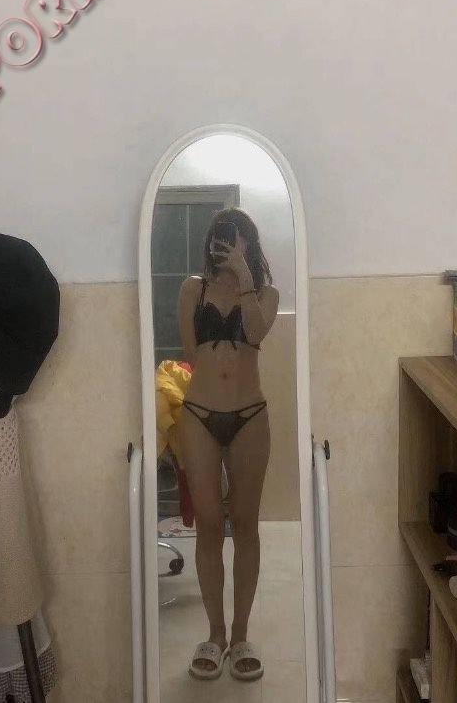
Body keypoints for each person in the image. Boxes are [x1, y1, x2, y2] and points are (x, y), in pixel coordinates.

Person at [177, 207, 279, 681]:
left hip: (250, 416)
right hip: (199, 414)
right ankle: (215, 634)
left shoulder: (266, 295)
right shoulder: (191, 289)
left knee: (246, 524)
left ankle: (240, 635)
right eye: (221, 236)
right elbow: (190, 353)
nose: (226, 244)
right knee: (209, 526)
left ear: (249, 244)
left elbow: (255, 333)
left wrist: (243, 278)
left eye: (236, 238)